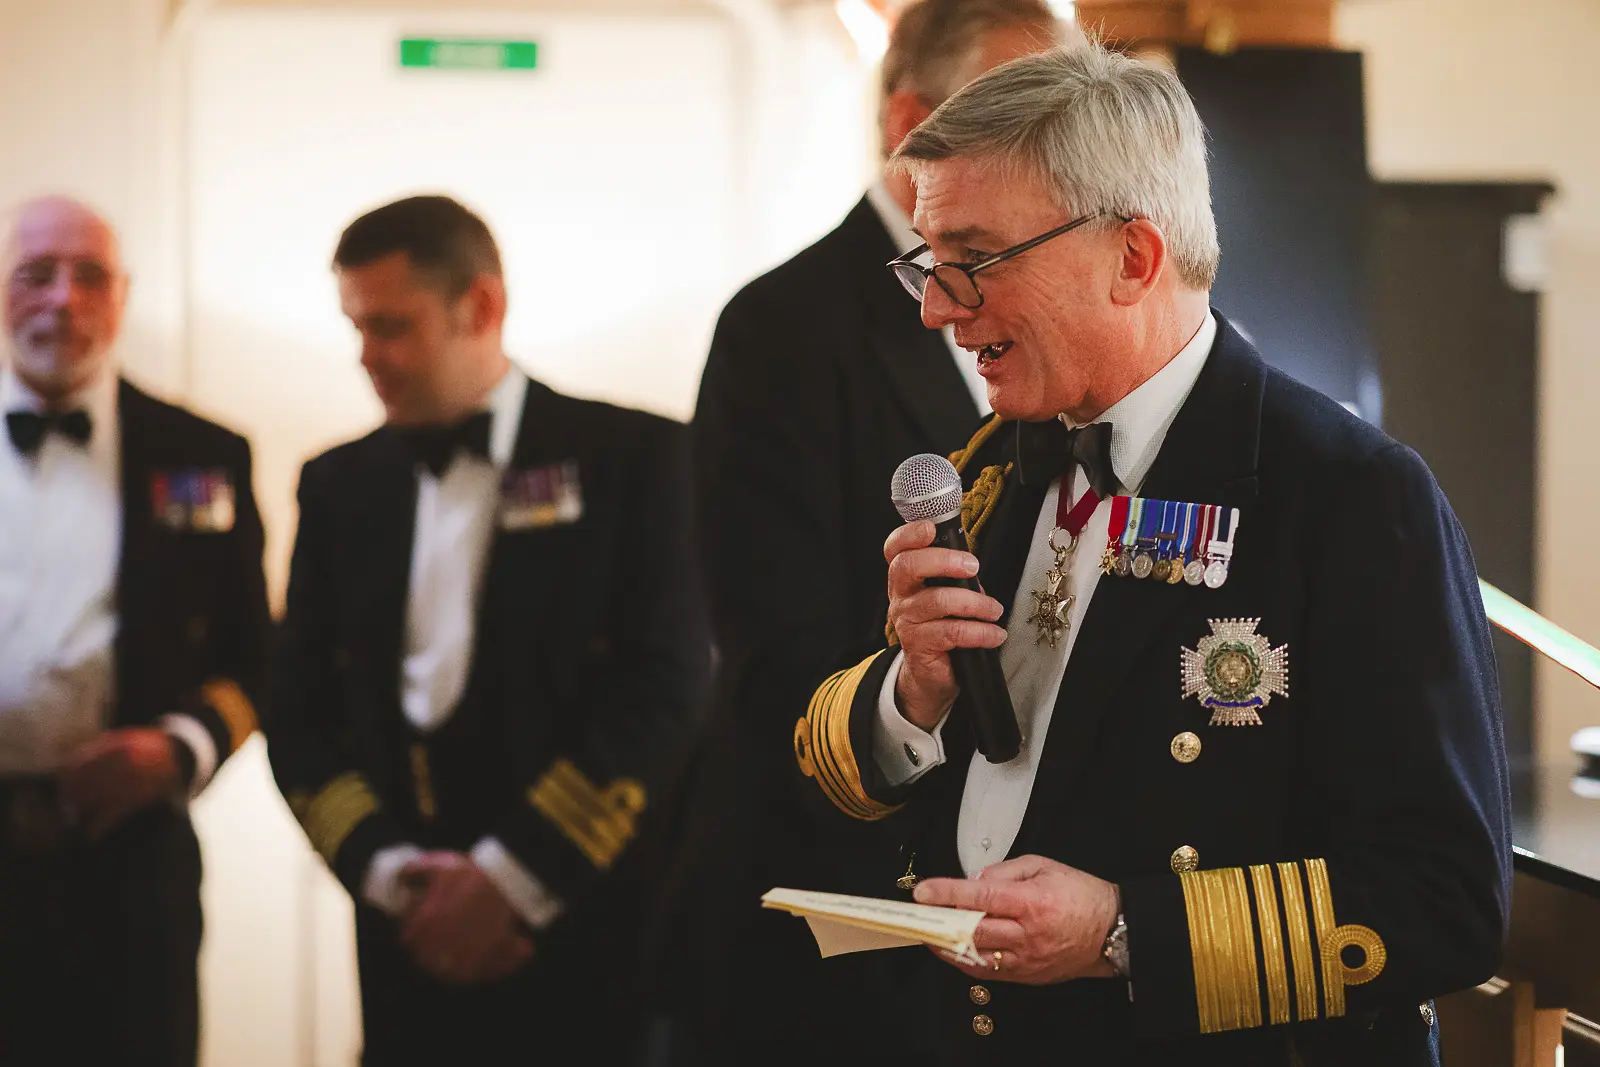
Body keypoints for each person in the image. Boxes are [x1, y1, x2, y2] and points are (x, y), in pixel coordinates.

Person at [791, 43, 1511, 1064]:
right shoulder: (988, 468)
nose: (937, 308)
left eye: (975, 260)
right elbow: (838, 774)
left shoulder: (1350, 498)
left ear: (1132, 256)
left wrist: (1128, 931)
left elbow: (1443, 898)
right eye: (927, 259)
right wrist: (912, 693)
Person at [655, 2, 1065, 1060]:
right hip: (834, 897)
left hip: (1019, 907)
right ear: (907, 122)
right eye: (1013, 113)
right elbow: (771, 654)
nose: (1049, 145)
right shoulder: (781, 328)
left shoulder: (1052, 321)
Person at [263, 194, 708, 1066]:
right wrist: (393, 877)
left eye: (392, 327)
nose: (369, 359)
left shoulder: (636, 458)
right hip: (407, 934)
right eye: (356, 328)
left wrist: (509, 880)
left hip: (591, 933)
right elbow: (298, 706)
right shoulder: (337, 484)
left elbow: (669, 685)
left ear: (483, 307)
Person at [0, 196, 270, 1066]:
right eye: (36, 274)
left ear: (122, 296)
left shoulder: (203, 453)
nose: (62, 300)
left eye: (89, 276)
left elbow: (257, 652)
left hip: (131, 866)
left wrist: (182, 745)